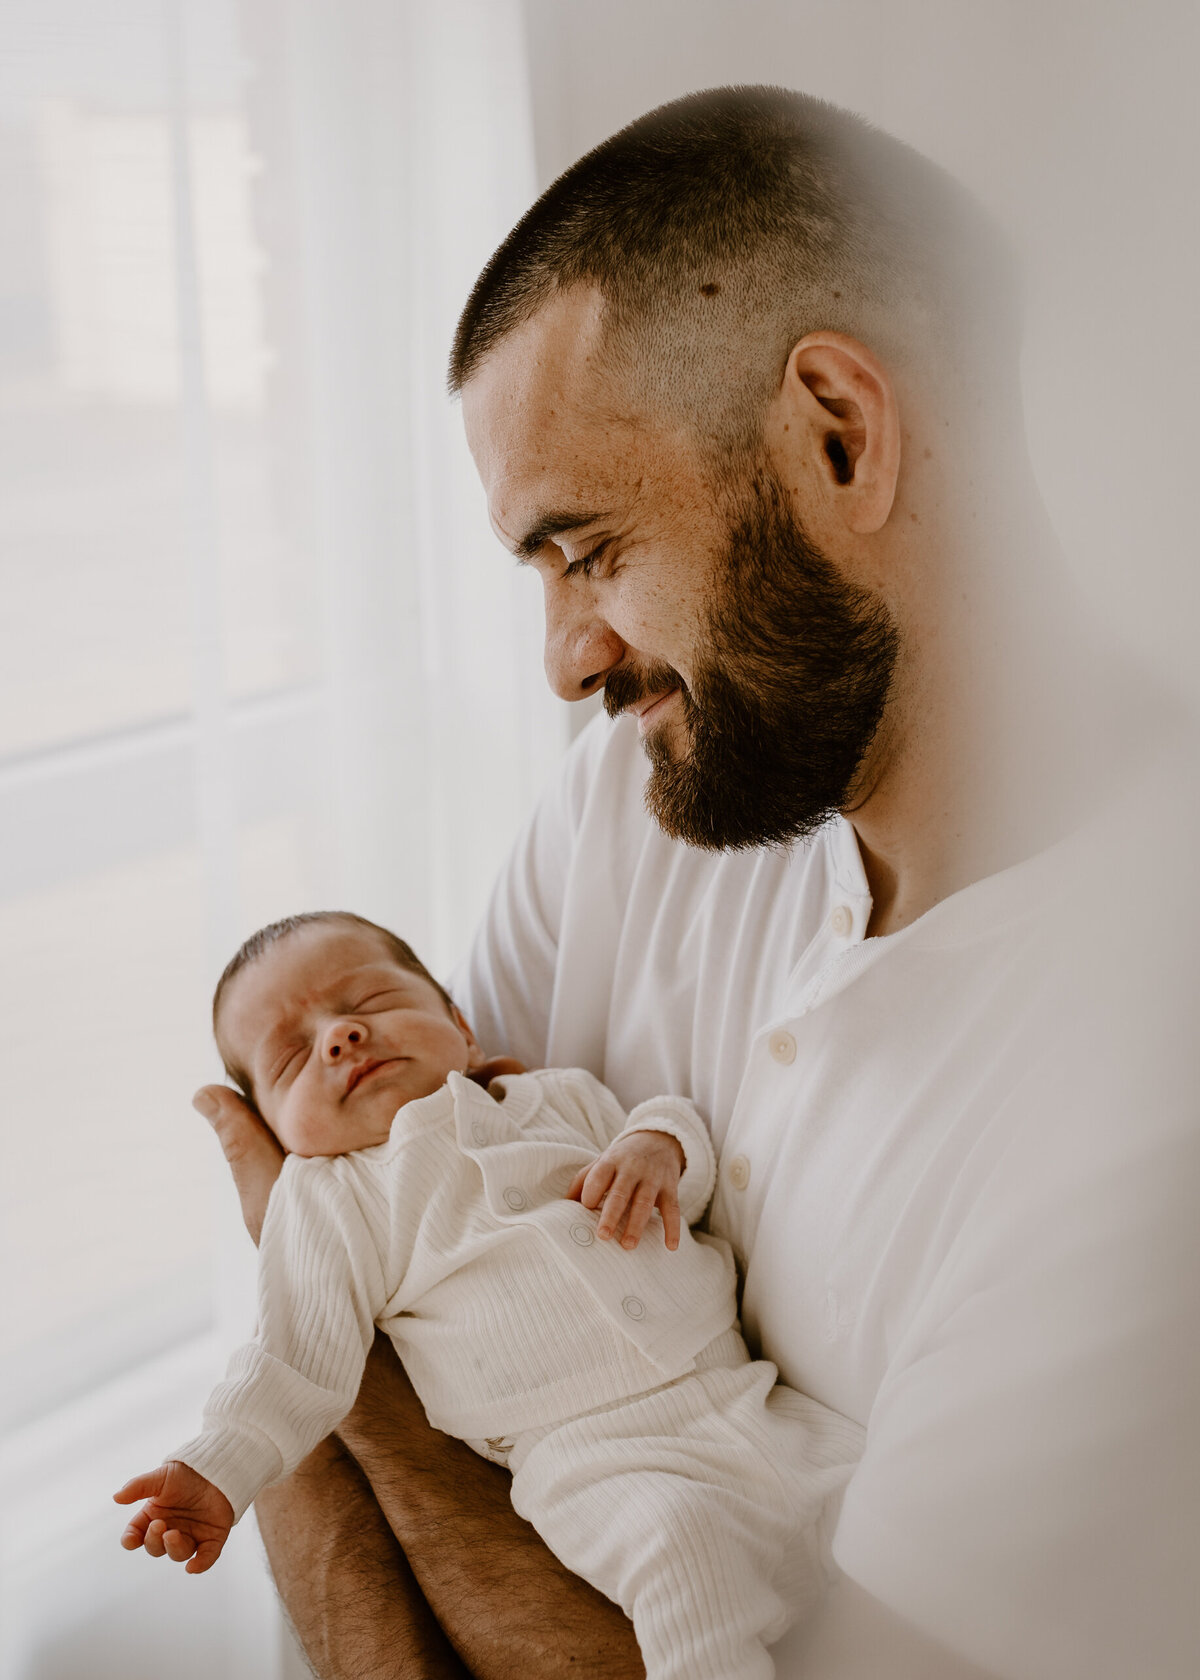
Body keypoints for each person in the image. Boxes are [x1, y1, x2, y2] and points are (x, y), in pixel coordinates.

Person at [193, 87, 1200, 1679]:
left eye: (585, 552)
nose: (566, 661)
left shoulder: (1151, 1098)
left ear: (837, 436)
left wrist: (342, 1351)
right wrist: (332, 1349)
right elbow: (328, 1321)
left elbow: (334, 1308)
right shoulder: (629, 805)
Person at [119, 910, 862, 1680]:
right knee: (683, 1557)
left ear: (461, 1026)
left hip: (752, 1399)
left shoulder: (554, 1096)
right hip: (598, 1465)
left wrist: (660, 1145)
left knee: (891, 1504)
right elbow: (292, 1356)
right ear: (276, 1128)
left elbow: (677, 1155)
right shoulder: (329, 1197)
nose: (339, 1037)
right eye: (291, 1058)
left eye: (368, 1003)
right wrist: (218, 1468)